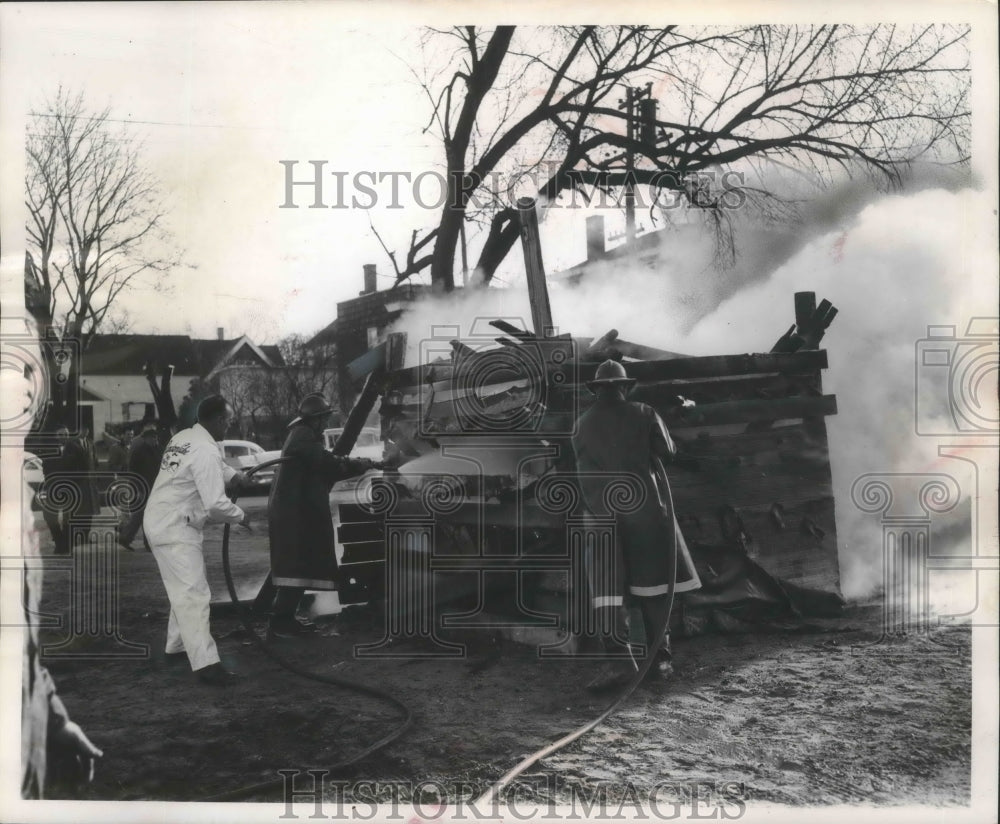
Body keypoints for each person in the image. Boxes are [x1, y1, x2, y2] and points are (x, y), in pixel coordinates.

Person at [571, 360, 702, 692]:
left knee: (607, 593)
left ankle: (621, 664)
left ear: (597, 389)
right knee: (654, 588)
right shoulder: (644, 412)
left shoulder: (581, 425)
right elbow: (666, 451)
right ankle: (660, 660)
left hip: (602, 516)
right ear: (624, 387)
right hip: (645, 513)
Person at [143, 395, 251, 685]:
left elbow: (204, 463)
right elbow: (216, 505)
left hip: (163, 520)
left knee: (184, 590)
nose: (229, 425)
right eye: (228, 421)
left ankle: (176, 648)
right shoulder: (204, 448)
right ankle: (206, 665)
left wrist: (233, 476)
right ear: (216, 420)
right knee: (194, 594)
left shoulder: (185, 437)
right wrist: (242, 516)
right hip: (174, 526)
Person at [267, 394, 376, 638]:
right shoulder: (304, 436)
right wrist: (361, 463)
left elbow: (323, 468)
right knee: (296, 568)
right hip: (295, 515)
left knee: (298, 567)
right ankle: (279, 624)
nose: (326, 424)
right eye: (324, 419)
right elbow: (328, 464)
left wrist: (359, 464)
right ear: (314, 420)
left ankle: (283, 621)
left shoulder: (302, 436)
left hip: (295, 512)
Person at [40, 426, 100, 556]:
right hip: (53, 486)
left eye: (66, 435)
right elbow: (45, 467)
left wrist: (74, 481)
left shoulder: (76, 448)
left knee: (69, 517)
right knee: (50, 516)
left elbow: (84, 468)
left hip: (70, 487)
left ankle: (65, 546)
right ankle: (60, 542)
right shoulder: (50, 449)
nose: (64, 437)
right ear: (56, 436)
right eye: (61, 435)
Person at [117, 420, 164, 551]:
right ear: (146, 439)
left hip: (155, 488)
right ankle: (128, 538)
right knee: (140, 515)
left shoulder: (159, 450)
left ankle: (141, 541)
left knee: (147, 516)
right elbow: (132, 472)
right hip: (142, 488)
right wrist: (137, 489)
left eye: (156, 437)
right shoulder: (139, 452)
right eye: (152, 437)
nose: (155, 439)